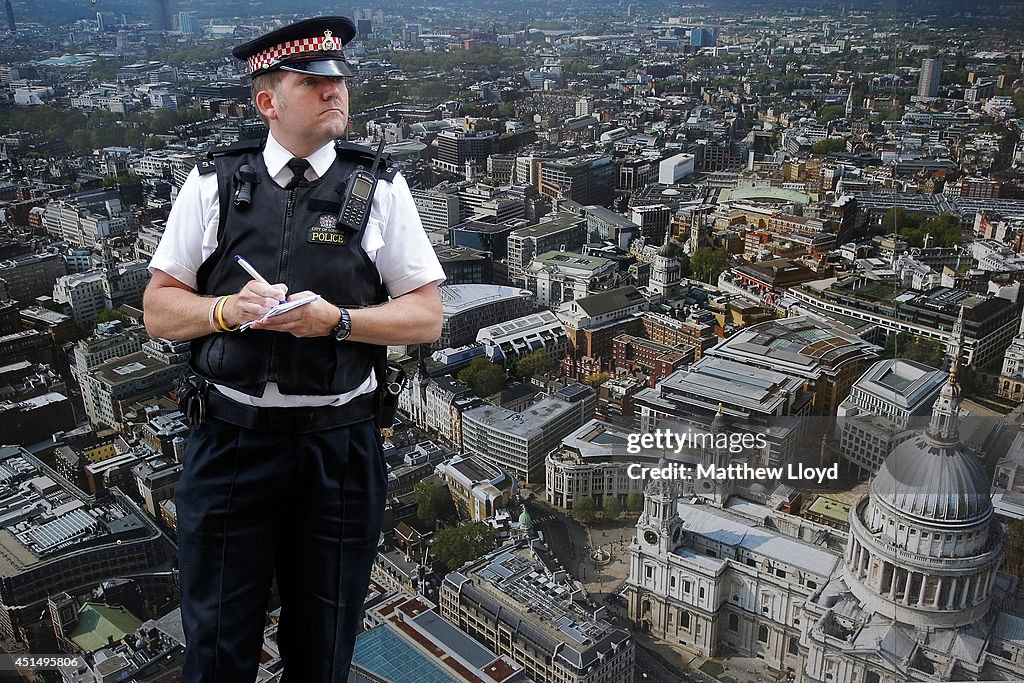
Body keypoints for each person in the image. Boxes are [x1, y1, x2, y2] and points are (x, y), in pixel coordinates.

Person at [143, 16, 444, 682]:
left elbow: (426, 317)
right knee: (217, 645)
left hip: (338, 446)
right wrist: (224, 309)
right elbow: (160, 310)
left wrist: (338, 322)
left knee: (324, 646)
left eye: (338, 81)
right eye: (312, 83)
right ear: (267, 102)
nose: (334, 93)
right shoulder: (212, 184)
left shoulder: (382, 190)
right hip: (231, 440)